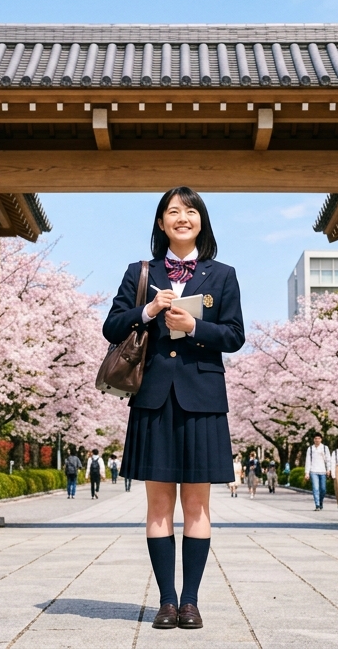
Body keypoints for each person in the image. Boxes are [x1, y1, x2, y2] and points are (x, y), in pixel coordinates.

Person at [105, 187, 244, 630]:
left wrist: (195, 326)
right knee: (158, 503)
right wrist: (145, 311)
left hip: (202, 399)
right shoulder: (139, 272)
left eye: (189, 210)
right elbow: (111, 327)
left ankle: (190, 601)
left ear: (201, 220)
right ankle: (166, 601)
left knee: (198, 504)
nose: (181, 217)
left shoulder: (222, 275)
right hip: (153, 398)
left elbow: (235, 336)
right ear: (161, 223)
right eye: (172, 211)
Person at [305, 435, 331, 511]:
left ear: (321, 439)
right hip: (313, 471)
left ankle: (320, 502)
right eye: (315, 438)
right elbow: (308, 461)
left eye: (319, 438)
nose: (317, 440)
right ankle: (317, 505)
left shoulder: (325, 448)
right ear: (313, 439)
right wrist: (307, 472)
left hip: (323, 471)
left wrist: (328, 469)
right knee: (315, 488)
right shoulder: (310, 449)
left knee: (323, 489)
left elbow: (328, 460)